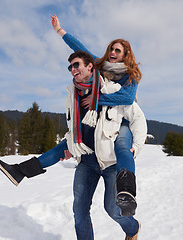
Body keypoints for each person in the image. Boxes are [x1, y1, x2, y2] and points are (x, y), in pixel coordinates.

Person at [0, 51, 143, 239]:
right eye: (70, 67)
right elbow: (74, 126)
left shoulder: (111, 89)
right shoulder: (72, 94)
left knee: (113, 210)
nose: (72, 69)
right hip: (87, 161)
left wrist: (136, 145)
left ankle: (133, 229)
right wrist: (72, 145)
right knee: (79, 212)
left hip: (109, 161)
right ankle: (20, 171)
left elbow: (137, 118)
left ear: (90, 66)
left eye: (76, 65)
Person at [51, 14, 144, 217]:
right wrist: (60, 31)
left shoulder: (131, 74)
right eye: (111, 48)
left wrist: (96, 99)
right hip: (105, 120)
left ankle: (127, 191)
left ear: (125, 54)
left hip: (123, 119)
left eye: (117, 50)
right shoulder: (100, 65)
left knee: (122, 148)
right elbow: (80, 49)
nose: (112, 52)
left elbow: (127, 98)